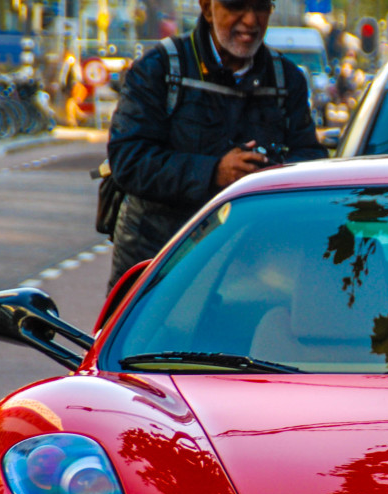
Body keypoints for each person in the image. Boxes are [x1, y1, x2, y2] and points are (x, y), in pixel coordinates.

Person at [106, 0, 327, 290]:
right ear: (207, 8)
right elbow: (128, 160)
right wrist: (213, 172)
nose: (250, 20)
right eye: (236, 6)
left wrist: (273, 173)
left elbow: (310, 160)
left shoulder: (288, 80)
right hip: (160, 265)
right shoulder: (158, 69)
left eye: (261, 7)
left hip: (252, 270)